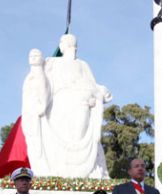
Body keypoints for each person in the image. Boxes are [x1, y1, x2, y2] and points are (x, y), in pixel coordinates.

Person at [21, 34, 112, 178]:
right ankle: (57, 174)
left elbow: (92, 85)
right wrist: (37, 65)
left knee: (78, 136)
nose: (63, 46)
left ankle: (80, 176)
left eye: (63, 43)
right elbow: (41, 80)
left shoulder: (82, 65)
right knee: (58, 142)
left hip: (80, 105)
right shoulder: (52, 62)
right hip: (59, 105)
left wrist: (100, 93)